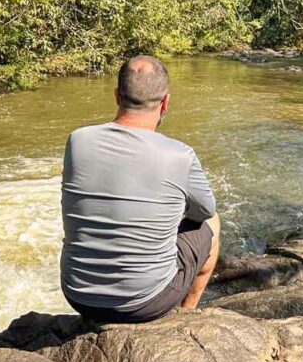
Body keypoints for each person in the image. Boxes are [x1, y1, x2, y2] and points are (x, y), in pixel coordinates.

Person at [60, 56, 220, 323]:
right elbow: (205, 210)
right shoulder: (180, 154)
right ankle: (186, 314)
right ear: (166, 102)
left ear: (116, 96)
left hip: (77, 295)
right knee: (213, 224)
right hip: (144, 303)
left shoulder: (77, 140)